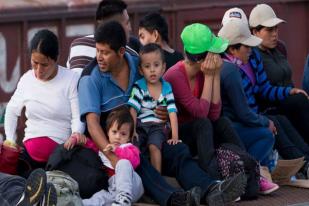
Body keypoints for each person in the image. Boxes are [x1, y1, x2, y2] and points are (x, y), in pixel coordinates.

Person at [77, 20, 246, 206]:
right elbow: (92, 126)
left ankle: (211, 189)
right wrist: (114, 157)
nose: (99, 57)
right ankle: (174, 198)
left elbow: (156, 90)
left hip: (149, 132)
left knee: (178, 150)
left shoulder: (138, 65)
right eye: (97, 51)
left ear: (121, 52)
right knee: (136, 155)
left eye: (105, 52)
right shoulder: (90, 79)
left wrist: (163, 109)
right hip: (116, 145)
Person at [218, 19, 309, 182]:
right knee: (271, 129)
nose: (251, 50)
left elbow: (263, 89)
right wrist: (263, 121)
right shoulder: (229, 70)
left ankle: (305, 161)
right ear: (232, 49)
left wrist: (289, 91)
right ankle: (252, 172)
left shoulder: (251, 59)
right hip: (239, 122)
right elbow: (242, 112)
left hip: (251, 115)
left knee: (280, 120)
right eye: (247, 46)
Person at [164, 23, 246, 179]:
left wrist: (215, 75)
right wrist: (210, 76)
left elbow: (214, 115)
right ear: (202, 58)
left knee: (223, 122)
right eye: (214, 52)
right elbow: (201, 113)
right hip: (177, 138)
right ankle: (214, 180)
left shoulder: (204, 71)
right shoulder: (175, 75)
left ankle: (249, 169)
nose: (218, 56)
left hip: (201, 134)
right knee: (203, 124)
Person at [4, 29, 85, 178]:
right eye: (35, 63)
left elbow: (78, 117)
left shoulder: (71, 79)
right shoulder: (27, 79)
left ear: (56, 59)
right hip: (28, 155)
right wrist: (10, 139)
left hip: (60, 157)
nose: (38, 70)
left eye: (44, 65)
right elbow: (11, 110)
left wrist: (75, 135)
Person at [249, 4, 309, 141]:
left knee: (301, 99)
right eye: (269, 30)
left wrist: (295, 91)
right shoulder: (251, 54)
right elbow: (259, 91)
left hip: (290, 99)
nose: (275, 34)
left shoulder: (280, 48)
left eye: (276, 28)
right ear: (255, 31)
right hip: (270, 105)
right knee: (298, 102)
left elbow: (288, 79)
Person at [128, 43, 180, 173]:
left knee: (154, 146)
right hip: (139, 125)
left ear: (163, 67)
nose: (152, 70)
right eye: (147, 66)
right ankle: (138, 177)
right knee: (135, 146)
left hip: (157, 127)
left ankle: (157, 177)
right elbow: (133, 110)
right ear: (141, 70)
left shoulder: (167, 87)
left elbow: (172, 112)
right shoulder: (138, 86)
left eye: (156, 65)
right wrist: (132, 130)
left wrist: (175, 136)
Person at [82, 107, 143, 206]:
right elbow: (93, 146)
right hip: (114, 189)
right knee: (101, 197)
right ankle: (78, 203)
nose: (118, 137)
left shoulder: (129, 147)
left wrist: (117, 150)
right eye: (114, 132)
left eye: (123, 134)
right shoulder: (104, 148)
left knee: (123, 163)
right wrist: (83, 141)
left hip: (133, 185)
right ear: (108, 133)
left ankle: (124, 199)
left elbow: (134, 161)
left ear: (129, 137)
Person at [67, 0, 138, 74]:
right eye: (127, 23)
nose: (130, 28)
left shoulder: (77, 45)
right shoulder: (129, 55)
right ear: (117, 27)